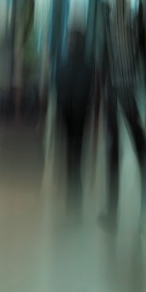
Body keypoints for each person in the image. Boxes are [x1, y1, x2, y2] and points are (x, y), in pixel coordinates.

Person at [100, 0, 146, 221]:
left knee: (120, 144)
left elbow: (122, 56)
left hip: (120, 89)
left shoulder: (118, 23)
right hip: (124, 88)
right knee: (132, 138)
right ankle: (144, 188)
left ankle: (115, 209)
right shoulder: (127, 22)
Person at [54, 23, 97, 211]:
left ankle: (72, 179)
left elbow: (60, 91)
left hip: (75, 115)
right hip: (75, 114)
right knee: (73, 150)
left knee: (73, 150)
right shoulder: (83, 66)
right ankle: (72, 179)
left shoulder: (66, 66)